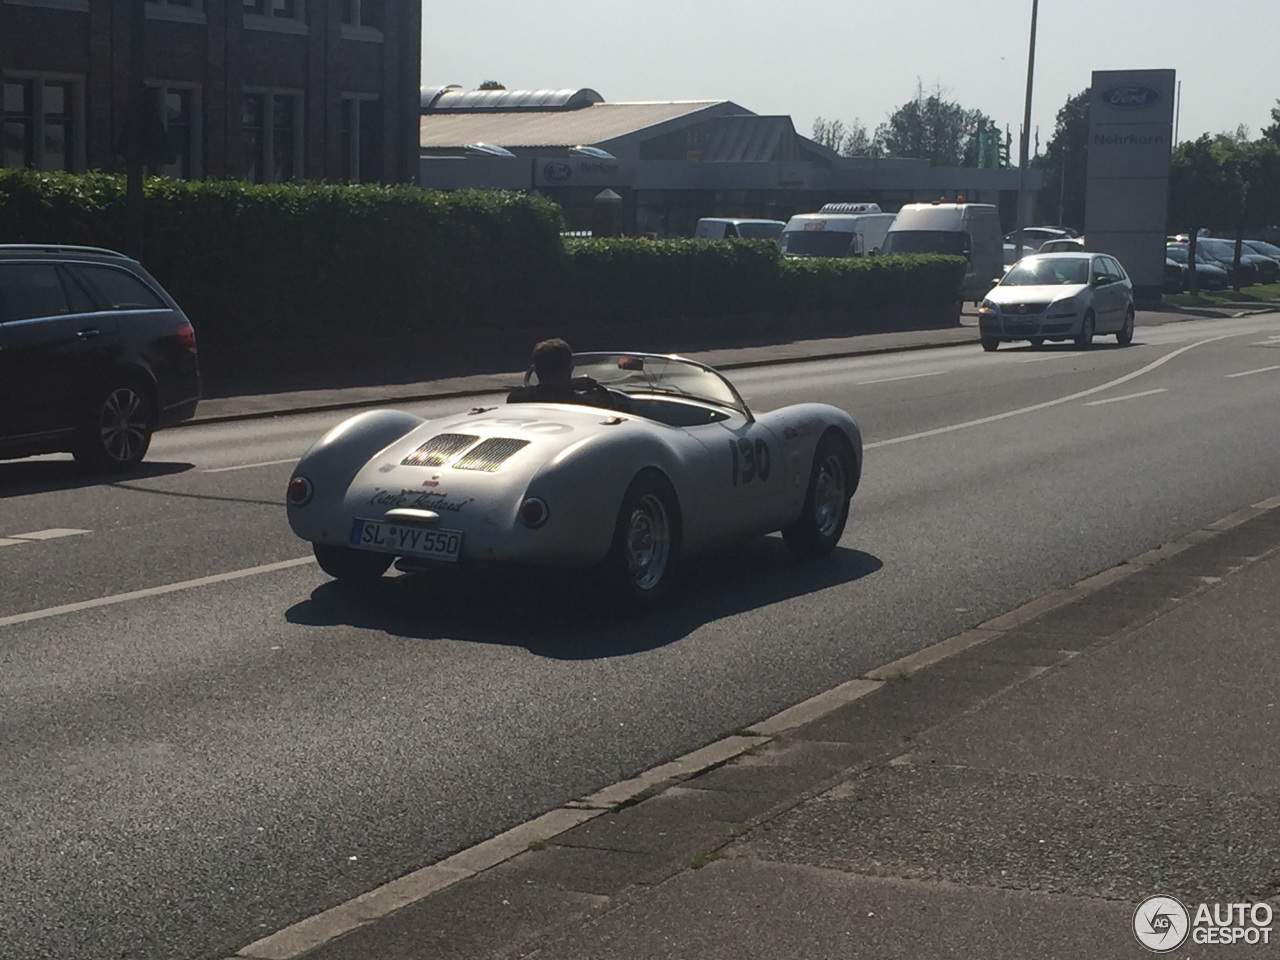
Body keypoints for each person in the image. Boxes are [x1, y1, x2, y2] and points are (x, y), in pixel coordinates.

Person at [506, 339, 632, 411]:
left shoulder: (518, 398)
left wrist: (571, 385)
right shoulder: (582, 404)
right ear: (570, 369)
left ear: (537, 371)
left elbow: (548, 391)